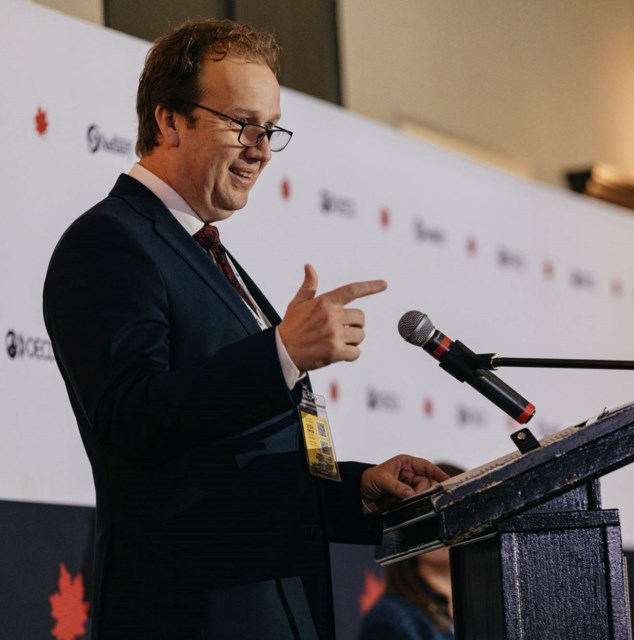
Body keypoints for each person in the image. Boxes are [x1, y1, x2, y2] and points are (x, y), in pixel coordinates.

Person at [42, 19, 447, 640]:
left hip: (275, 609)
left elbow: (239, 461)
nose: (260, 148)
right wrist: (282, 351)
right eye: (241, 124)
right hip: (191, 615)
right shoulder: (110, 242)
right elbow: (130, 418)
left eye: (270, 129)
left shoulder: (208, 254)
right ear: (169, 121)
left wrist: (359, 488)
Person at [356, 464, 463, 640]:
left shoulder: (499, 602)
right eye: (432, 514)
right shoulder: (389, 619)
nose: (447, 522)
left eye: (456, 507)